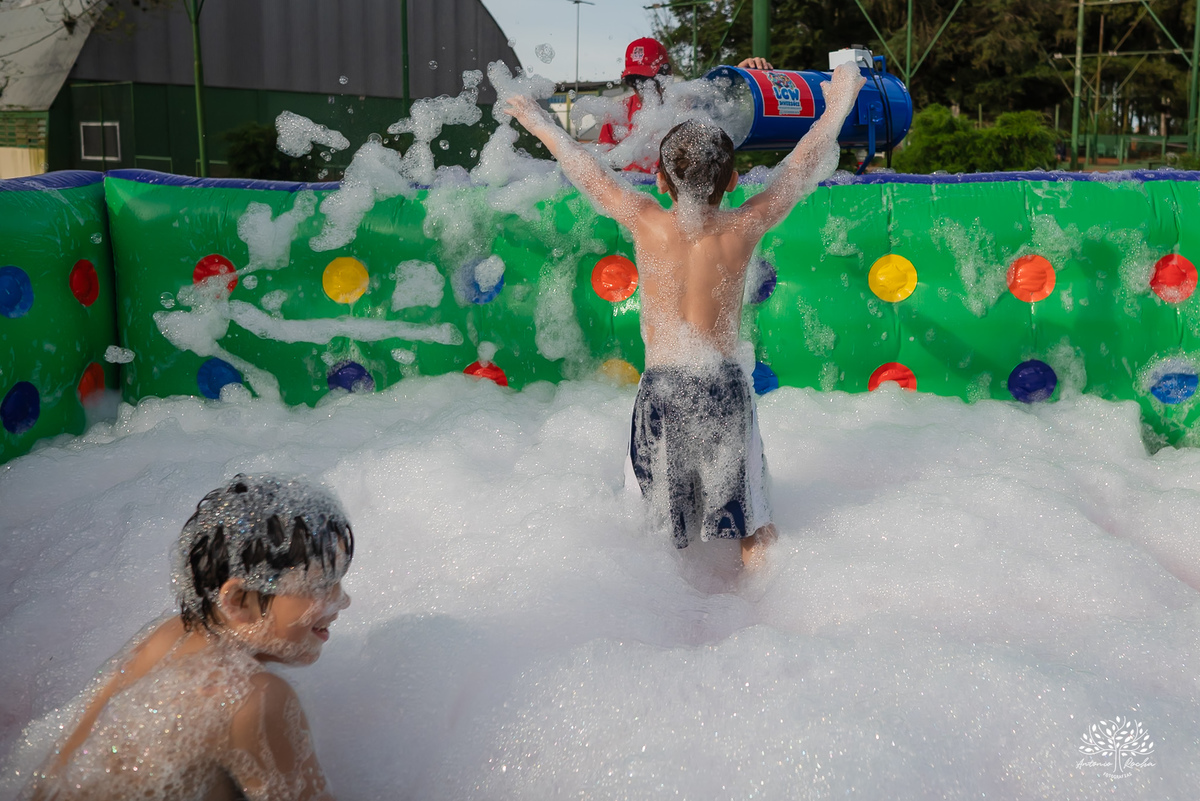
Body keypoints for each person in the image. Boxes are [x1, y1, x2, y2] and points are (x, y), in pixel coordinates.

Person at [508, 63, 866, 569]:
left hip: (662, 386)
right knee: (752, 522)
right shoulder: (744, 226)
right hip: (722, 385)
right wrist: (837, 106)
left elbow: (587, 172)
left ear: (658, 179)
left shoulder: (645, 221)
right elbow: (800, 168)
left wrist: (539, 122)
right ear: (736, 180)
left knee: (653, 523)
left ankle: (661, 613)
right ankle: (768, 608)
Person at [22, 474, 354, 801]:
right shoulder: (254, 700)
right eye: (322, 586)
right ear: (237, 601)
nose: (343, 601)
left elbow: (59, 776)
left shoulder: (169, 633)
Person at [597, 37, 773, 172]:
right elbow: (601, 168)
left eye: (650, 80)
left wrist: (741, 73)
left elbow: (722, 97)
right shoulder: (616, 115)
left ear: (668, 74)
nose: (644, 88)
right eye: (635, 81)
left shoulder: (687, 103)